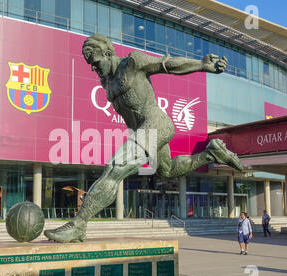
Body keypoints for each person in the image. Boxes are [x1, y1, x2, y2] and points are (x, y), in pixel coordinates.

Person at [44, 34, 244, 242]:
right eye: (91, 66)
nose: (94, 69)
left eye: (95, 63)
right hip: (142, 131)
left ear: (107, 53)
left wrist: (202, 65)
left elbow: (168, 65)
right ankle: (211, 154)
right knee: (167, 171)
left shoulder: (132, 63)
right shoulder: (106, 81)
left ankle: (78, 224)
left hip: (156, 124)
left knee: (115, 168)